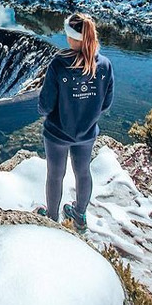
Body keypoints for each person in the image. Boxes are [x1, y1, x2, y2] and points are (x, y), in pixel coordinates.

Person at [36, 12, 114, 231]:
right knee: (83, 172)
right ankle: (79, 215)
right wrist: (87, 114)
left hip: (57, 133)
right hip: (87, 134)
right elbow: (106, 104)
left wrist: (48, 112)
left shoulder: (59, 64)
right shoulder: (105, 65)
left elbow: (45, 105)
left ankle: (51, 219)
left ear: (73, 37)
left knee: (55, 175)